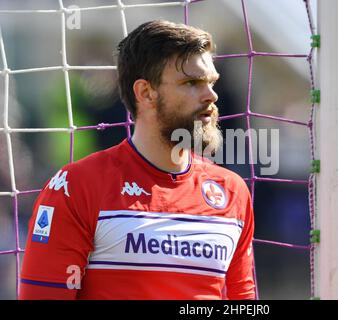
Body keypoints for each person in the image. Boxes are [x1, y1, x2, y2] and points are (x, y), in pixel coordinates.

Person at [19, 20, 256, 300]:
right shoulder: (75, 187)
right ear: (145, 93)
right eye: (192, 82)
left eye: (211, 82)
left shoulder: (231, 191)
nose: (211, 95)